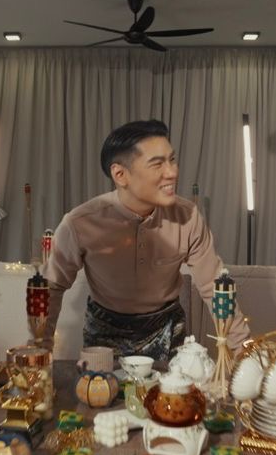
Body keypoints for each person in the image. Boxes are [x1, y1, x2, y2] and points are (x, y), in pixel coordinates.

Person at [45, 119, 247, 361]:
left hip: (168, 332)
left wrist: (242, 349)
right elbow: (51, 288)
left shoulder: (188, 216)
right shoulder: (80, 223)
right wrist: (39, 348)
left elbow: (214, 287)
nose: (172, 172)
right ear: (120, 175)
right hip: (104, 337)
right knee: (99, 386)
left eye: (172, 160)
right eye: (157, 164)